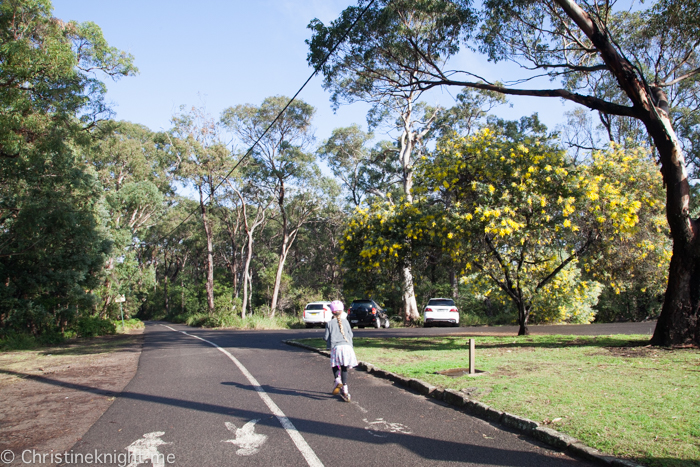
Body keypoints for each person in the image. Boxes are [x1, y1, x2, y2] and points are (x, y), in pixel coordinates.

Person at [324, 300, 358, 402]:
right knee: (344, 368)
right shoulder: (346, 322)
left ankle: (337, 379)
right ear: (342, 310)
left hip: (336, 348)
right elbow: (351, 335)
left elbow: (326, 337)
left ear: (332, 312)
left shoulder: (329, 323)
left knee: (335, 365)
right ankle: (345, 388)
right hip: (347, 348)